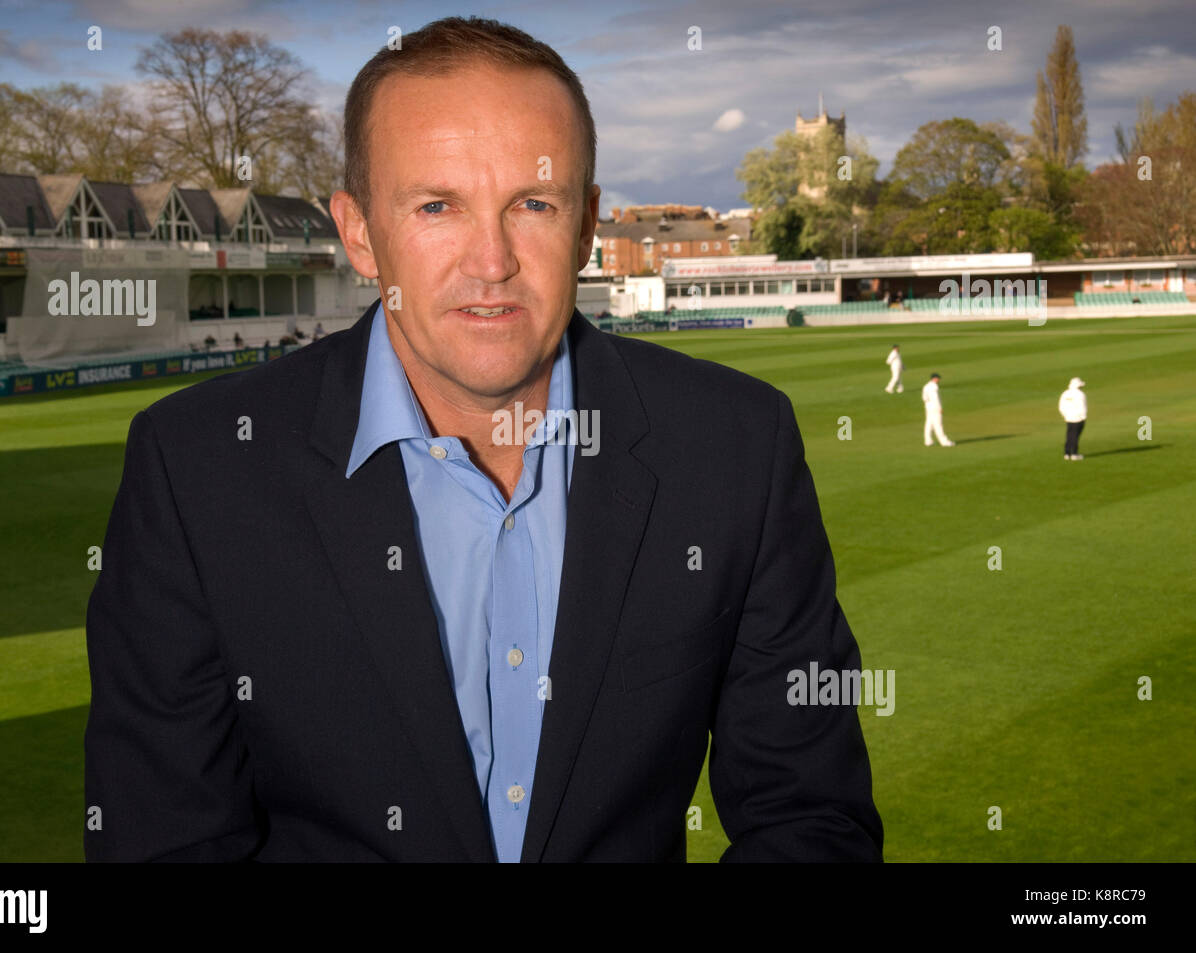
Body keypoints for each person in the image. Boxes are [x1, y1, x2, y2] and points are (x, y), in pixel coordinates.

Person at [84, 15, 881, 864]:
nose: (491, 260)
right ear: (359, 234)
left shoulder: (732, 447)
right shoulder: (199, 469)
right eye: (438, 205)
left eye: (532, 204)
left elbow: (810, 820)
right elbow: (162, 843)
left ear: (585, 228)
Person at [922, 373, 954, 447]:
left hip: (928, 408)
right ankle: (944, 442)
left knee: (929, 424)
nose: (939, 380)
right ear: (935, 378)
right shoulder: (934, 387)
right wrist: (939, 408)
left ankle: (928, 441)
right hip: (935, 408)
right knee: (938, 425)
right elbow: (935, 398)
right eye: (938, 378)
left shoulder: (926, 386)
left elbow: (924, 398)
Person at [1059, 376, 1087, 460]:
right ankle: (1074, 453)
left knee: (1069, 435)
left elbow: (1061, 406)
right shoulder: (1080, 394)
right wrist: (1083, 417)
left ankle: (1067, 453)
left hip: (1069, 418)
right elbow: (1083, 407)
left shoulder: (1065, 393)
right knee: (1075, 436)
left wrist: (1065, 415)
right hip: (1078, 418)